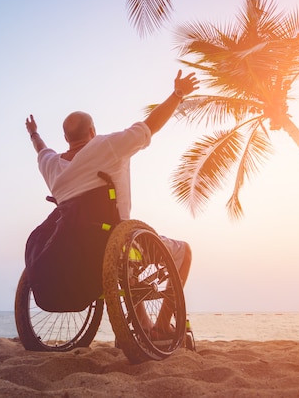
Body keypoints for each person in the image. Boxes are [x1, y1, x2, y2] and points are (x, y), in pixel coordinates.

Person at [25, 70, 199, 339]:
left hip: (77, 250)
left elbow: (41, 150)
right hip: (120, 246)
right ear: (92, 132)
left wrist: (34, 133)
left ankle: (142, 326)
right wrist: (177, 95)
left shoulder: (52, 166)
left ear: (66, 138)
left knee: (121, 249)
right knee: (183, 252)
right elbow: (150, 125)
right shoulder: (106, 147)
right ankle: (163, 325)